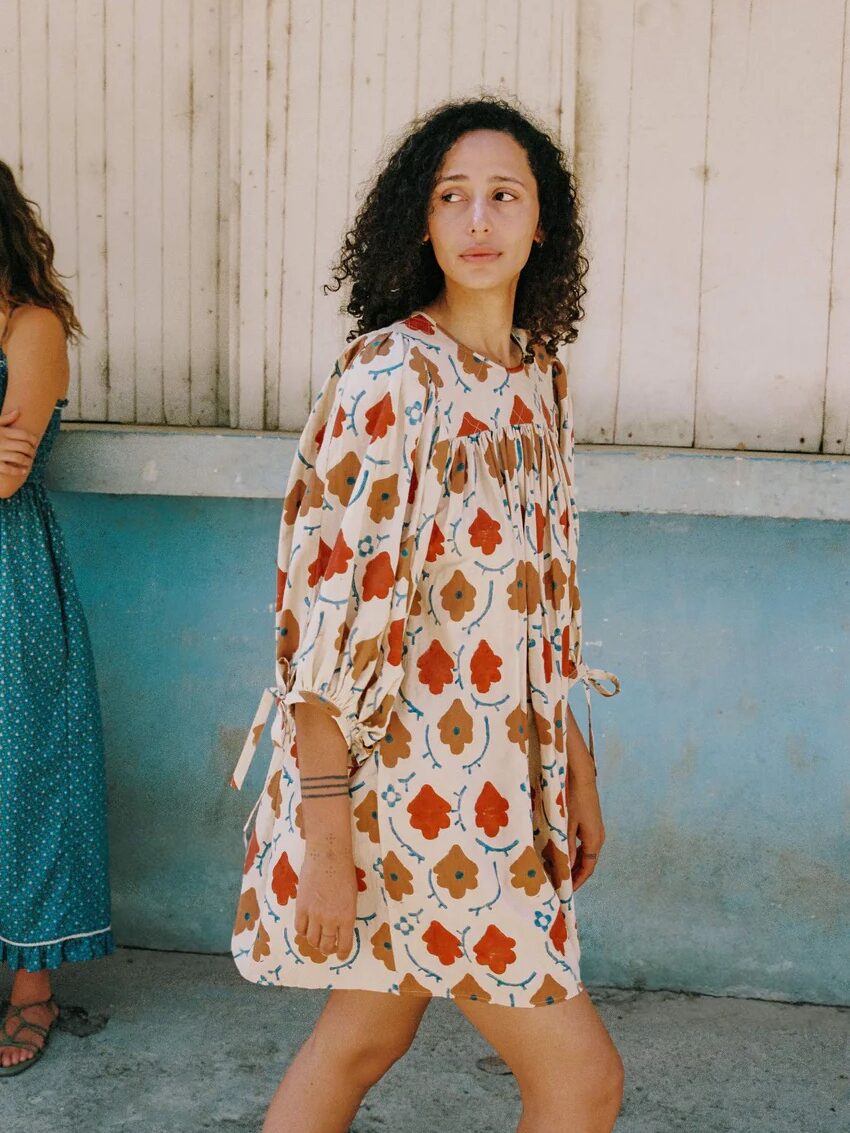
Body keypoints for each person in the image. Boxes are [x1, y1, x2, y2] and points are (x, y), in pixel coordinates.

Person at [231, 96, 623, 1132]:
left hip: (496, 780)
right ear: (422, 220)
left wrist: (573, 759)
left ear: (544, 223)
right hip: (406, 799)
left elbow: (539, 605)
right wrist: (323, 842)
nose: (480, 218)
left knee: (364, 1035)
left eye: (506, 195)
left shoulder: (534, 377)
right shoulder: (389, 379)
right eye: (454, 197)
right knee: (581, 1080)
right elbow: (321, 625)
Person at [0, 161, 113, 1074]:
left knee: (24, 770)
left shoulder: (27, 325)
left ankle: (32, 986)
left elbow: (6, 472)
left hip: (9, 579)